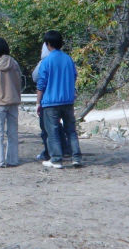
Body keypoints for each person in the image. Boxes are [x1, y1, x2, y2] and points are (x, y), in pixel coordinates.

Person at [36, 30, 82, 169]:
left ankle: (56, 159)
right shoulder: (68, 59)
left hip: (51, 102)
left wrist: (38, 102)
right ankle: (76, 158)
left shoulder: (47, 61)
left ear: (48, 44)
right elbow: (74, 76)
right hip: (68, 101)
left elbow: (41, 83)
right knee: (71, 130)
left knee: (53, 132)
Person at [0, 38, 21, 168]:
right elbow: (19, 83)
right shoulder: (14, 63)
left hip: (0, 103)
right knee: (12, 132)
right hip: (13, 101)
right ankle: (13, 159)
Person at [32, 43, 70, 161]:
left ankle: (51, 154)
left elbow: (36, 78)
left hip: (48, 100)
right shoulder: (65, 59)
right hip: (65, 99)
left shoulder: (45, 62)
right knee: (61, 127)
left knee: (47, 130)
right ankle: (66, 150)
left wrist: (38, 102)